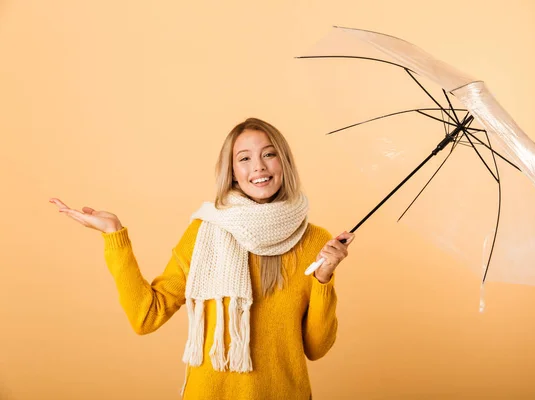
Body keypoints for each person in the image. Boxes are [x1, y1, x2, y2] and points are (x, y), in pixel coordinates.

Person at [49, 117, 355, 399]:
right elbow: (146, 316)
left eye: (269, 154)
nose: (258, 167)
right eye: (244, 158)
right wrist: (114, 235)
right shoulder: (205, 232)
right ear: (233, 172)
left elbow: (316, 347)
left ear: (284, 162)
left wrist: (323, 277)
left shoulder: (314, 239)